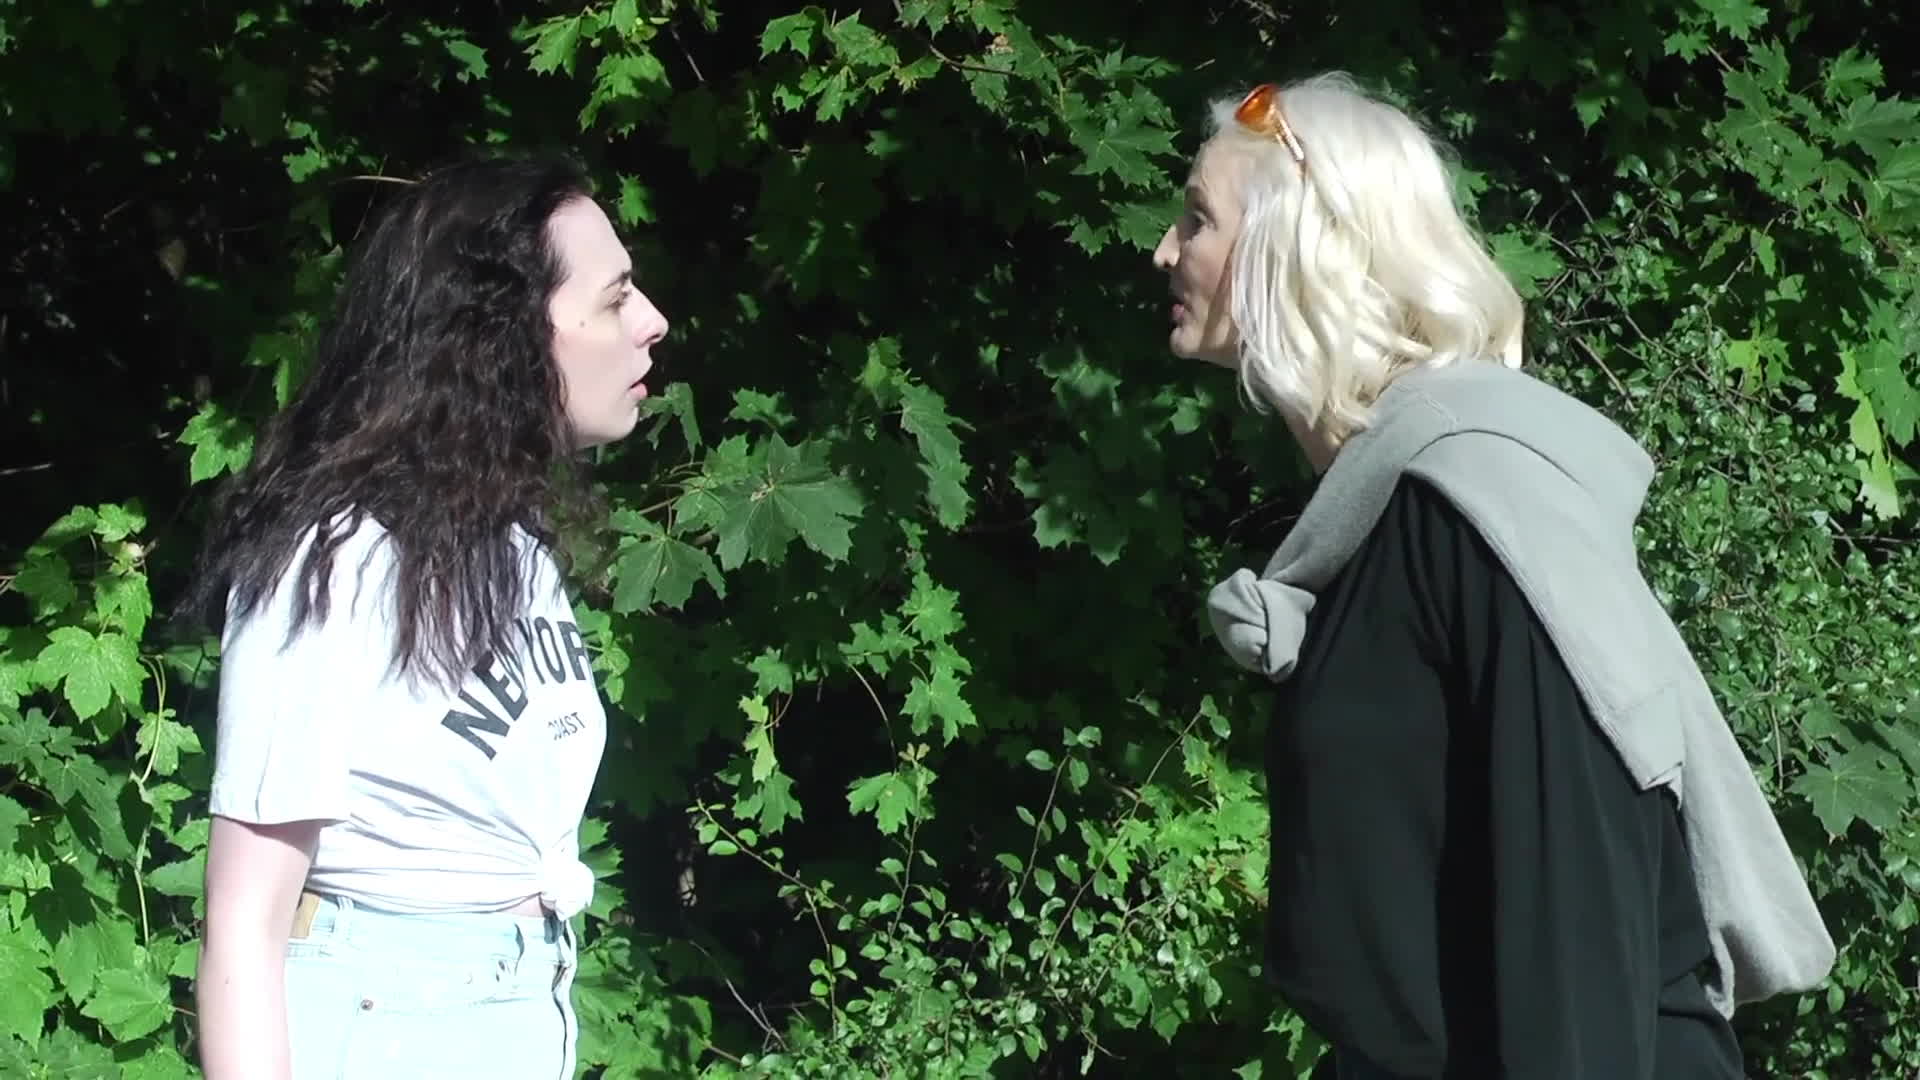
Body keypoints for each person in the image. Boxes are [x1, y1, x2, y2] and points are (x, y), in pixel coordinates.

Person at [1153, 73, 1835, 1079]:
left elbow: (1579, 905)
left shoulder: (1479, 508)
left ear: (1294, 247)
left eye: (1197, 219)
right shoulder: (1373, 519)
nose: (1165, 251)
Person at [185, 156, 669, 1080]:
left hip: (511, 1009)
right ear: (501, 333)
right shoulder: (336, 559)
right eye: (613, 300)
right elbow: (244, 922)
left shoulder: (508, 545)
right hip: (387, 1024)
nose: (651, 320)